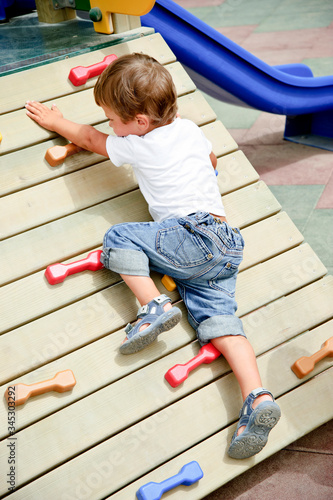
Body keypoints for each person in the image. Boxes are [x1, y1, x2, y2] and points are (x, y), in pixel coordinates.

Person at [25, 52, 280, 459]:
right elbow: (212, 161)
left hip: (188, 235)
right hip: (227, 243)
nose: (110, 126)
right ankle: (257, 396)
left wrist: (57, 123)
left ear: (139, 123)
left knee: (120, 236)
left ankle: (153, 306)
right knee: (220, 321)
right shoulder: (192, 130)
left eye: (112, 118)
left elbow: (91, 141)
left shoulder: (139, 144)